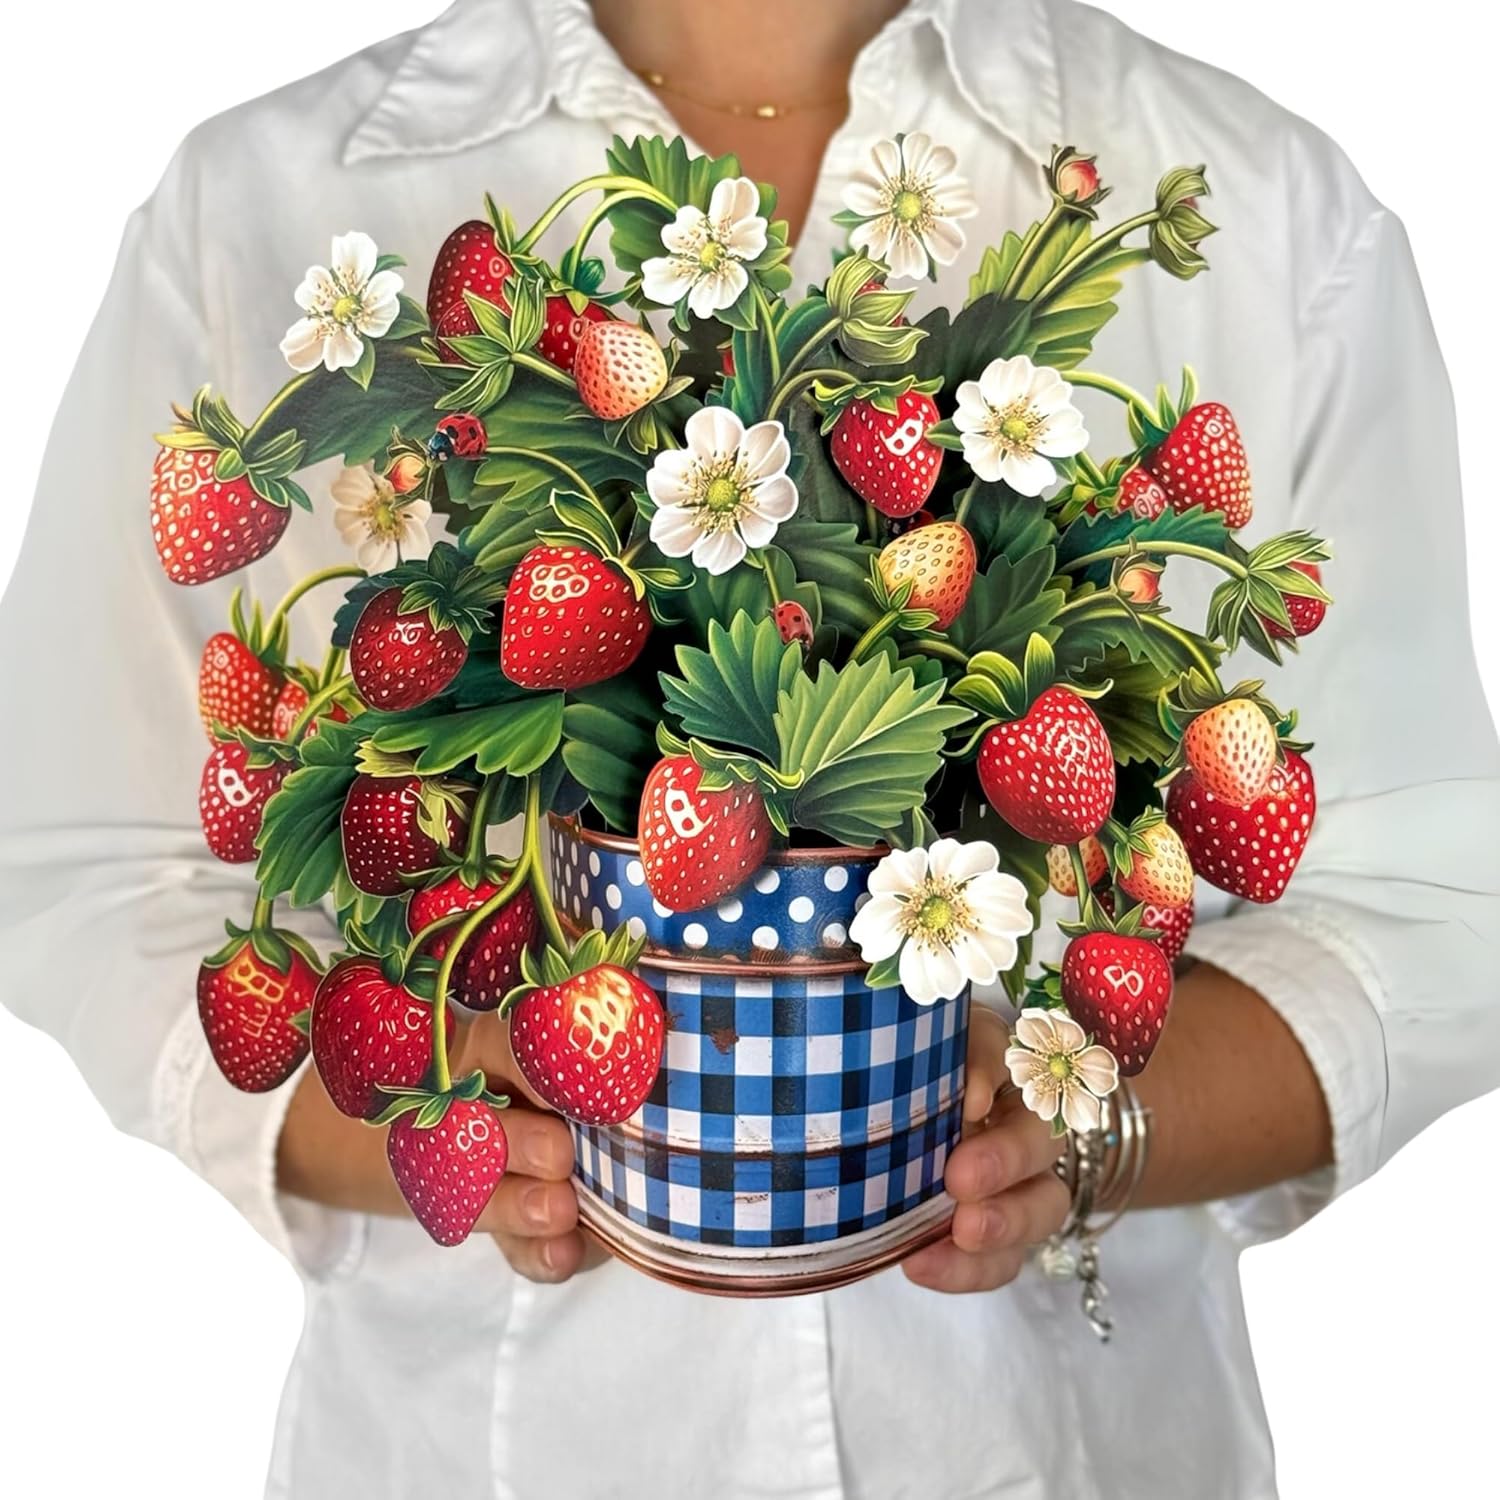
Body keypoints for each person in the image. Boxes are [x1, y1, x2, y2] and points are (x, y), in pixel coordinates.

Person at [1, 0, 1496, 1495]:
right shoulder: (262, 195)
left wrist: (1096, 1123)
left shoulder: (1270, 203)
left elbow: (1435, 911)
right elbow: (89, 868)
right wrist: (455, 1098)